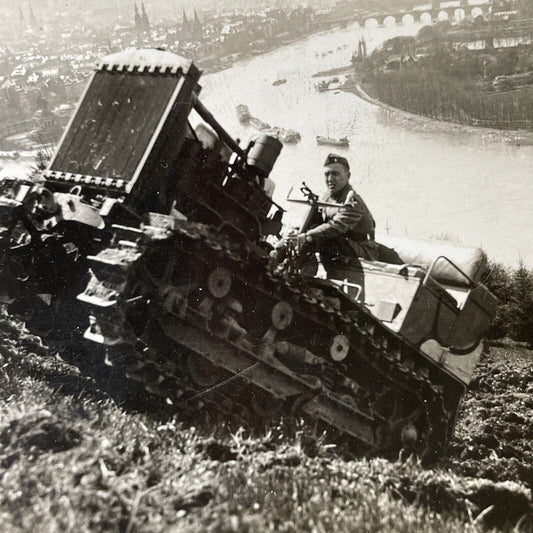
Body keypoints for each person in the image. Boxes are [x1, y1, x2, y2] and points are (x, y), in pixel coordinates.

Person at [273, 153, 381, 277]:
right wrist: (295, 235)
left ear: (348, 176)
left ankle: (303, 279)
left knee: (317, 239)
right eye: (327, 174)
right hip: (342, 244)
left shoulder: (352, 201)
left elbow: (336, 226)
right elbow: (316, 222)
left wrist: (307, 236)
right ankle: (273, 260)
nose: (330, 179)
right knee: (296, 235)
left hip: (361, 248)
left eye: (335, 174)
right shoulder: (328, 196)